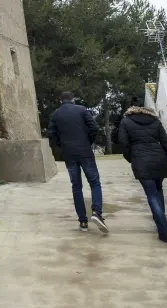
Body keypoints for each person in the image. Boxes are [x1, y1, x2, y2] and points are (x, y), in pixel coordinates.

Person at [47, 92, 108, 233]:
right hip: (85, 151)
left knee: (76, 187)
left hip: (69, 154)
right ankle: (96, 212)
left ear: (60, 100)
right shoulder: (82, 110)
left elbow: (51, 134)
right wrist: (87, 142)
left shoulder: (56, 114)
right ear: (73, 99)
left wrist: (62, 147)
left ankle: (83, 222)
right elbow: (94, 128)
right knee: (94, 182)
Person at [117, 103, 167, 243]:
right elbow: (166, 143)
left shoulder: (125, 121)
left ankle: (163, 231)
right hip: (159, 159)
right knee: (158, 190)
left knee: (151, 195)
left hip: (141, 160)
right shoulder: (155, 121)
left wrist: (131, 158)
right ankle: (160, 222)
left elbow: (124, 143)